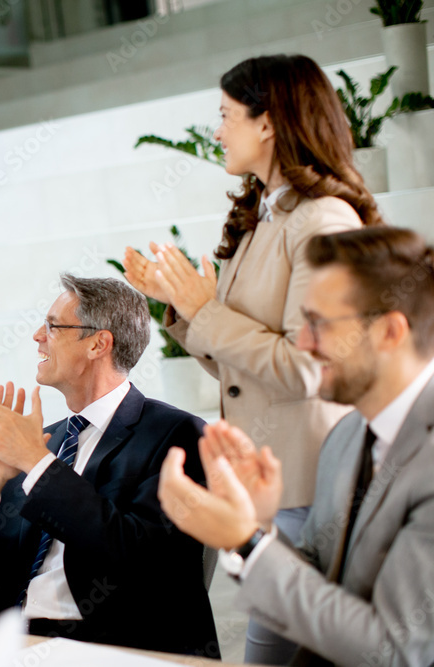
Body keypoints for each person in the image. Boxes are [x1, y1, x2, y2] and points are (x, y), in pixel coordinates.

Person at [122, 54, 383, 663]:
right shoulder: (261, 219)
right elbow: (239, 366)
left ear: (267, 123)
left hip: (311, 483)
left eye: (225, 115)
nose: (217, 131)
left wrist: (205, 310)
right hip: (272, 483)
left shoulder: (323, 221)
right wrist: (183, 308)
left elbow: (309, 368)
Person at [159, 227, 434, 666]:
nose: (303, 343)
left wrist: (244, 541)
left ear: (389, 332)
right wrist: (257, 526)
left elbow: (396, 651)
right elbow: (321, 582)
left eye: (318, 324)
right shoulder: (344, 437)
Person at [0, 275, 218, 656]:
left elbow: (141, 563)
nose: (37, 335)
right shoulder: (42, 439)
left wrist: (36, 464)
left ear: (98, 344)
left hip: (109, 644)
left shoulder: (177, 434)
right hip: (4, 641)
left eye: (53, 326)